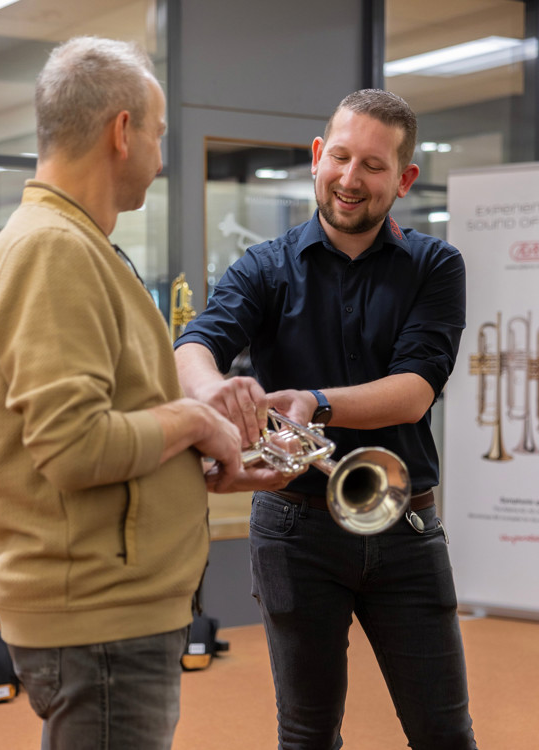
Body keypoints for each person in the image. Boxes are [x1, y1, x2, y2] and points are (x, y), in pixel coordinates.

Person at [174, 89, 478, 749]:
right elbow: (193, 345)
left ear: (404, 179)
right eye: (339, 157)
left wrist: (314, 400)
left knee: (445, 733)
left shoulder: (436, 265)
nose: (350, 178)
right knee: (306, 735)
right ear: (317, 156)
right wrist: (215, 393)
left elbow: (415, 390)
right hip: (294, 530)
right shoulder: (264, 266)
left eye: (373, 165)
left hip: (404, 522)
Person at [0, 37, 246, 750]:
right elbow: (74, 446)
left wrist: (198, 452)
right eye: (159, 134)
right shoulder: (53, 248)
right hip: (100, 621)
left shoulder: (75, 242)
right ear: (122, 131)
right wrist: (193, 422)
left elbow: (111, 423)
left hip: (112, 614)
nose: (161, 156)